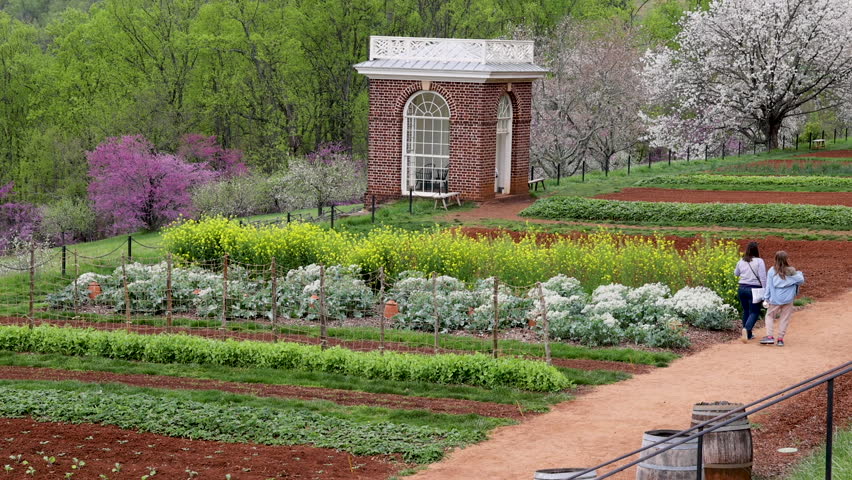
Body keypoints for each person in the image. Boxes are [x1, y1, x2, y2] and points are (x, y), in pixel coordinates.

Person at [760, 251, 805, 347]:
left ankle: (770, 337)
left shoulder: (772, 271)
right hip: (788, 299)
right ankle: (780, 339)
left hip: (775, 299)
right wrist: (798, 273)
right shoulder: (791, 271)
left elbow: (768, 286)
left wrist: (766, 298)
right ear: (786, 259)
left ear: (775, 259)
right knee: (784, 318)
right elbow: (801, 280)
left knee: (769, 316)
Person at [733, 241, 766, 341]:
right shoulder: (759, 261)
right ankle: (746, 330)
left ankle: (748, 335)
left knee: (746, 311)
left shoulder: (741, 261)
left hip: (742, 288)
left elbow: (736, 273)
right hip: (754, 289)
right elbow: (763, 277)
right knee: (755, 312)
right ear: (756, 251)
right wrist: (765, 290)